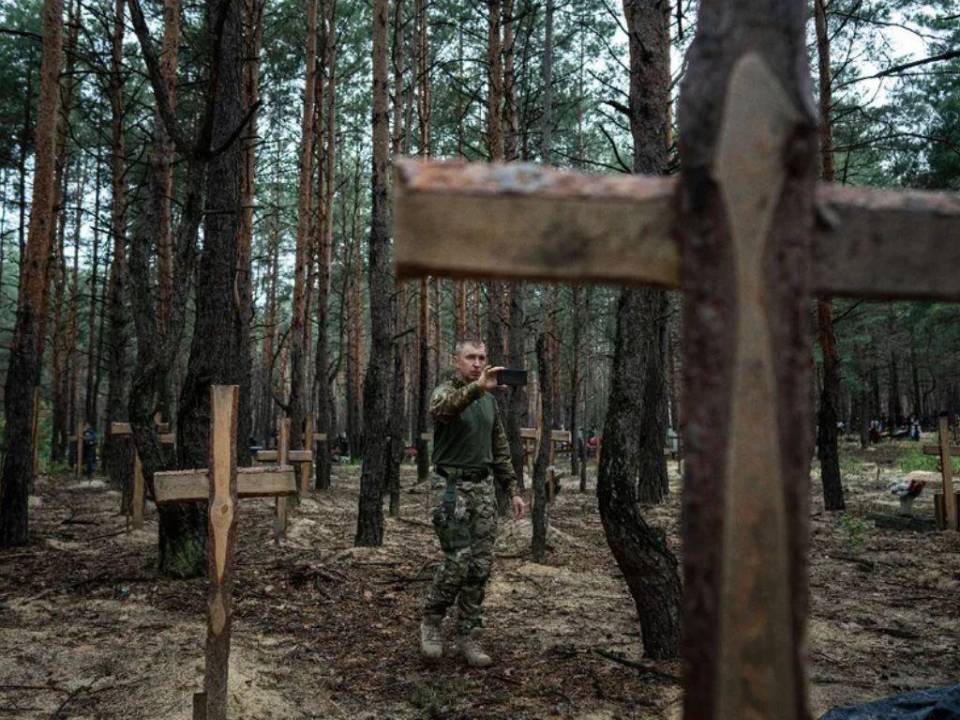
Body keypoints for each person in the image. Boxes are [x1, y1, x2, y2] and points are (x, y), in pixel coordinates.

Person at [419, 339, 526, 668]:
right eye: (470, 357)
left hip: (483, 488)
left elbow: (500, 448)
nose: (478, 363)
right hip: (451, 487)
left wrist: (512, 488)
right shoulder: (446, 390)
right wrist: (477, 388)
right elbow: (443, 409)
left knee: (480, 567)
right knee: (458, 561)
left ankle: (468, 634)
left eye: (482, 357)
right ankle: (432, 622)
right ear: (457, 361)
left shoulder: (489, 401)